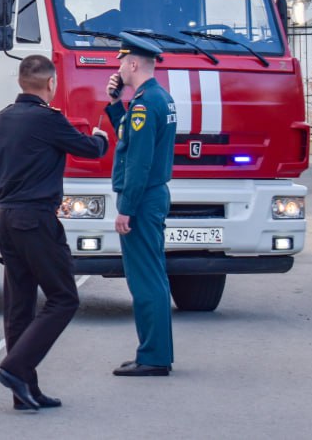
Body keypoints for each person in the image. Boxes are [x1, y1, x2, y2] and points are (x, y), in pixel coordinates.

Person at [0, 55, 109, 411]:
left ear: (22, 82)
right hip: (36, 220)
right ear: (51, 85)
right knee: (63, 298)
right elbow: (90, 151)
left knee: (19, 306)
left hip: (6, 218)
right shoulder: (49, 120)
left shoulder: (0, 121)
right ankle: (15, 368)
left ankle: (24, 392)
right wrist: (100, 137)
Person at [105, 32, 178, 376]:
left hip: (143, 198)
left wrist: (126, 208)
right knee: (154, 276)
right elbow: (131, 138)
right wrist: (116, 102)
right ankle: (154, 352)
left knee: (145, 278)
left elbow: (138, 160)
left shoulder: (146, 104)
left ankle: (153, 357)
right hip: (153, 195)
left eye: (121, 61)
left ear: (133, 63)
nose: (118, 67)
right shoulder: (155, 98)